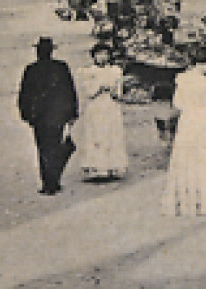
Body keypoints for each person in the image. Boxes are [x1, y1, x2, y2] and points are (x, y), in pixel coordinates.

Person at [18, 36, 79, 195]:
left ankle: (49, 181)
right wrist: (72, 113)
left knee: (44, 148)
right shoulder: (61, 67)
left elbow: (24, 95)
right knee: (55, 147)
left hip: (40, 116)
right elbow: (70, 91)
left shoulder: (31, 69)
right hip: (54, 116)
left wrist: (26, 114)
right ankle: (52, 180)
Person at [163, 59, 206, 216]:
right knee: (203, 157)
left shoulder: (182, 80)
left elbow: (177, 103)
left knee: (186, 156)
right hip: (202, 119)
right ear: (200, 64)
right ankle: (204, 202)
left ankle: (186, 200)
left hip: (187, 119)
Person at [76, 41, 129, 181]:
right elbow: (87, 91)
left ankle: (112, 166)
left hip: (110, 105)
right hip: (96, 106)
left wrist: (113, 90)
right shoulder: (88, 71)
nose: (102, 57)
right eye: (99, 54)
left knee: (111, 134)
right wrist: (99, 87)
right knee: (96, 134)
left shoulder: (115, 71)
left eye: (105, 54)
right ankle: (97, 168)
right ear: (94, 56)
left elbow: (119, 92)